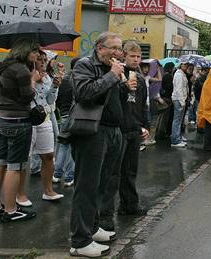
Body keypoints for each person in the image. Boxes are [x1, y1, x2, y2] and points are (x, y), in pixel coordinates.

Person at [69, 32, 125, 257]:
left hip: (112, 131)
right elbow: (84, 93)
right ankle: (80, 241)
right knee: (87, 187)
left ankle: (91, 229)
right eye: (113, 48)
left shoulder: (109, 69)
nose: (117, 53)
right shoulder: (85, 65)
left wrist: (123, 85)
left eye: (119, 48)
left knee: (102, 185)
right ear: (99, 48)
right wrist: (112, 76)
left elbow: (107, 98)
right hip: (92, 132)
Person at [0, 38, 41, 223]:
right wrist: (33, 80)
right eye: (34, 51)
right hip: (18, 122)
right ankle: (10, 210)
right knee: (15, 167)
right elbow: (27, 97)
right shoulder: (21, 70)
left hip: (1, 119)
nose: (36, 55)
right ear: (25, 51)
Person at [100, 40, 149, 231]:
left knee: (130, 171)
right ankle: (105, 214)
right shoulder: (116, 73)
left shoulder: (141, 79)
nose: (136, 60)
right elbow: (111, 100)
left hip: (134, 131)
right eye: (132, 56)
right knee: (112, 174)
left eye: (138, 57)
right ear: (124, 56)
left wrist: (145, 125)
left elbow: (143, 104)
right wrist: (124, 86)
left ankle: (129, 204)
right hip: (118, 129)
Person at [20, 50, 64, 204]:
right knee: (24, 158)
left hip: (44, 118)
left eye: (45, 60)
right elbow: (23, 98)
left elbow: (50, 99)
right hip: (28, 120)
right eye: (40, 60)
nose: (44, 62)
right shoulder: (25, 76)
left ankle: (48, 191)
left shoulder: (47, 78)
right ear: (32, 61)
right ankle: (20, 194)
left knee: (48, 155)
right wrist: (32, 80)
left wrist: (55, 86)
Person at [53, 57, 80, 187]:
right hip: (75, 117)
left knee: (63, 146)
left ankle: (56, 175)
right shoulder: (79, 80)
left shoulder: (64, 80)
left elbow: (57, 98)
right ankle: (69, 177)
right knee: (75, 147)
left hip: (64, 116)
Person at [170, 61, 189, 147]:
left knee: (179, 120)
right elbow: (179, 89)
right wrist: (182, 102)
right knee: (177, 120)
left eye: (187, 64)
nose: (186, 66)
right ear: (180, 65)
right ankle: (175, 140)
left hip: (180, 99)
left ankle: (177, 137)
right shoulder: (179, 75)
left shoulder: (182, 74)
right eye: (184, 64)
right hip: (178, 99)